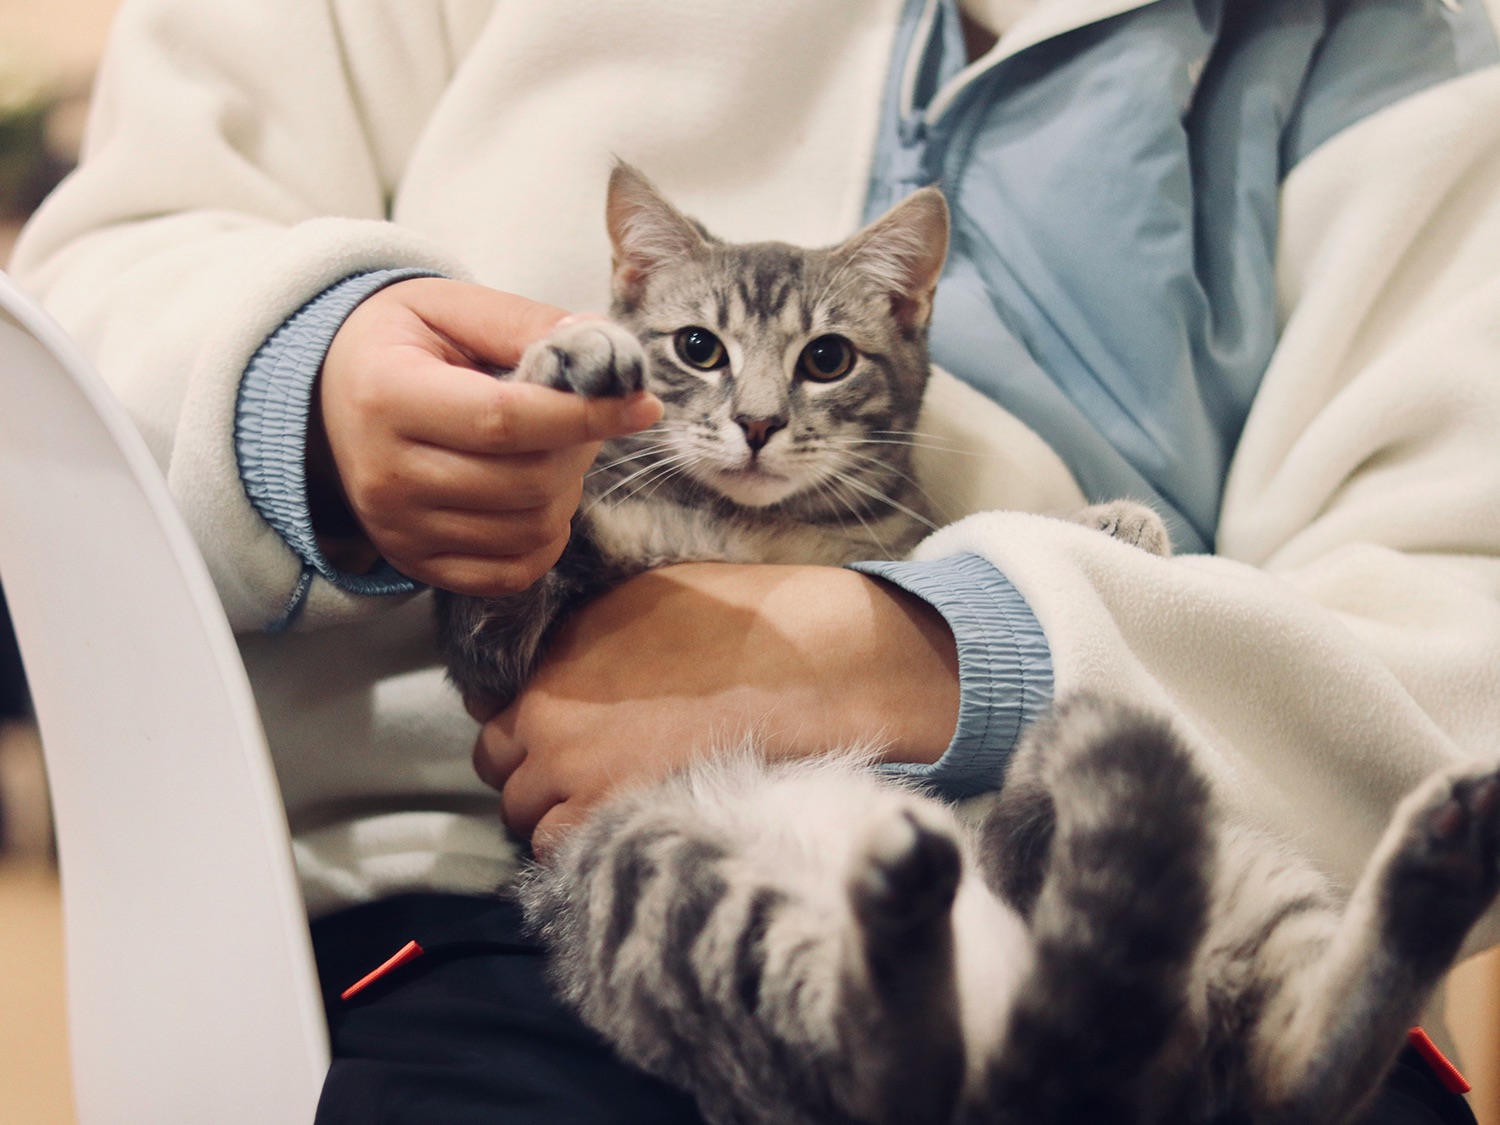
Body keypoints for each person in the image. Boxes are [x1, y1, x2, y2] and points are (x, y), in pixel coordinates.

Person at [14, 0, 1500, 1121]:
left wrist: (943, 651)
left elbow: (1457, 631)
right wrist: (319, 379)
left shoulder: (1416, 46)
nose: (759, 410)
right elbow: (93, 292)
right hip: (490, 886)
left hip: (1109, 879)